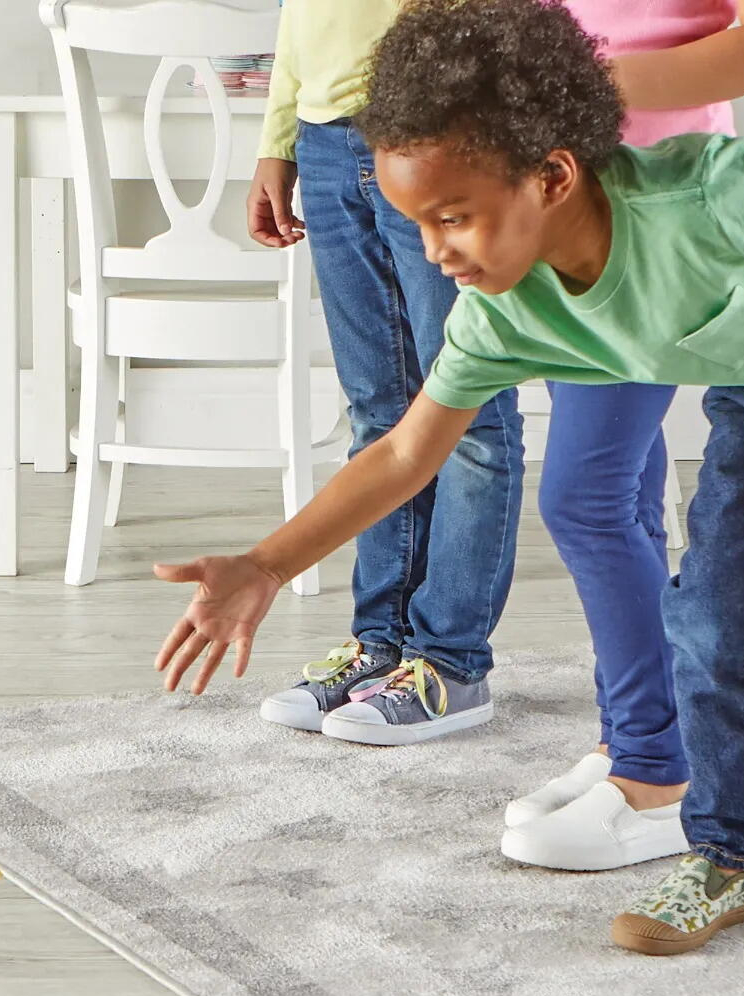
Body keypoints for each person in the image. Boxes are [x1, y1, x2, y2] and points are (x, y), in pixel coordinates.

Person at [154, 0, 744, 955]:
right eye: (421, 225)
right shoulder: (503, 314)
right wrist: (267, 564)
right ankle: (730, 857)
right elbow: (406, 453)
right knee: (709, 621)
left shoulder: (718, 194)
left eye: (453, 219)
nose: (437, 253)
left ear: (552, 176)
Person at [502, 0, 744, 873]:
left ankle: (660, 773)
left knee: (585, 497)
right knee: (621, 495)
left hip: (658, 209)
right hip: (557, 197)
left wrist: (577, 86)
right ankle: (635, 734)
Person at [246, 0, 523, 747]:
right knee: (378, 410)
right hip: (326, 138)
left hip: (439, 124)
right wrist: (279, 139)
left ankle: (452, 662)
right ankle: (383, 644)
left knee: (466, 407)